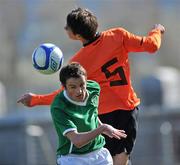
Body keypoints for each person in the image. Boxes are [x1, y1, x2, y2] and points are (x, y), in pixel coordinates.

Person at [17, 7, 165, 165]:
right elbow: (152, 46)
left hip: (101, 115)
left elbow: (64, 94)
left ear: (76, 35)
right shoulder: (118, 35)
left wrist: (35, 100)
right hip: (127, 109)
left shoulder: (79, 62)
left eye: (68, 27)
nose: (65, 28)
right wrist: (157, 31)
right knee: (121, 155)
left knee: (113, 156)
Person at [52, 62, 127, 164]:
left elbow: (93, 114)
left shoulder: (94, 89)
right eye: (73, 87)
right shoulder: (59, 107)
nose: (79, 91)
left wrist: (103, 128)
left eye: (82, 85)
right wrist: (103, 128)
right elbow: (77, 141)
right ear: (64, 86)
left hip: (99, 154)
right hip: (72, 157)